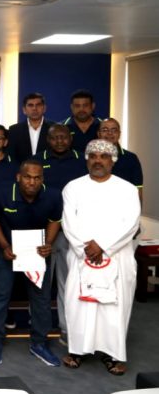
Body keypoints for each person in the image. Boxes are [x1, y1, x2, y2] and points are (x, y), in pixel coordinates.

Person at [61, 139, 140, 376]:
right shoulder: (73, 187)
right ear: (87, 160)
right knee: (79, 305)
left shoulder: (127, 189)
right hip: (82, 256)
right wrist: (87, 247)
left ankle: (113, 354)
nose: (98, 161)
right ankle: (78, 350)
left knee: (114, 308)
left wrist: (103, 246)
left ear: (112, 161)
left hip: (117, 256)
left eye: (104, 157)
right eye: (93, 156)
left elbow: (131, 223)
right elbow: (68, 221)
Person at [0, 159, 62, 367]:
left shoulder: (53, 195)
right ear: (18, 177)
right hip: (6, 249)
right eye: (28, 177)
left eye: (37, 178)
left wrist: (48, 243)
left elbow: (54, 221)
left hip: (36, 251)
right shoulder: (1, 192)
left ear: (42, 179)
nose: (32, 182)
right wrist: (4, 245)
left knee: (41, 298)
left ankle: (39, 342)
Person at [32, 123, 87, 344]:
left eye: (64, 137)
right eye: (55, 138)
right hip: (40, 231)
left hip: (71, 232)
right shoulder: (37, 160)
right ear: (48, 140)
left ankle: (66, 327)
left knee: (68, 283)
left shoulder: (82, 160)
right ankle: (38, 326)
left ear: (70, 138)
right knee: (39, 283)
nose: (60, 141)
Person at [97, 118, 143, 202]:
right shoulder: (90, 158)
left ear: (119, 134)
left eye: (114, 130)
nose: (109, 133)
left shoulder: (131, 158)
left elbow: (137, 190)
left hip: (123, 206)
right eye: (105, 130)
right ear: (98, 134)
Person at [8, 93, 53, 164]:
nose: (34, 108)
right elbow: (11, 156)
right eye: (30, 105)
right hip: (22, 170)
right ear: (24, 110)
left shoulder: (54, 128)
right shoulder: (14, 130)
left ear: (44, 108)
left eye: (38, 105)